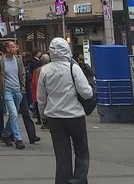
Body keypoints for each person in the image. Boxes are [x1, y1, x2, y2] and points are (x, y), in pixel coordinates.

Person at [40, 37, 93, 184]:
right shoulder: (73, 68)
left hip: (54, 116)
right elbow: (86, 92)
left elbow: (41, 97)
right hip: (75, 115)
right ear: (67, 50)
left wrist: (43, 114)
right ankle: (79, 180)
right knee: (81, 150)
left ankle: (62, 181)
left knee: (62, 153)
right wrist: (90, 90)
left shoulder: (45, 70)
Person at [0, 40, 31, 149]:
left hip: (18, 90)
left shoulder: (18, 60)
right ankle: (18, 139)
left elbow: (22, 74)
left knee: (14, 114)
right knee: (13, 113)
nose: (16, 48)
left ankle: (5, 134)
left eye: (15, 46)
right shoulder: (0, 60)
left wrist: (23, 88)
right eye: (13, 47)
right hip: (6, 90)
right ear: (8, 49)